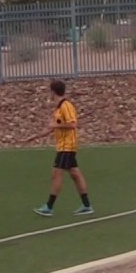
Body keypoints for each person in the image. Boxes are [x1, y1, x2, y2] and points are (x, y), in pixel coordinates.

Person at [31, 80, 93, 217]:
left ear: (53, 92)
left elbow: (72, 125)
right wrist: (35, 137)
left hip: (67, 146)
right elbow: (52, 127)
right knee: (75, 174)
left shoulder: (66, 105)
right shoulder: (58, 108)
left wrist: (56, 126)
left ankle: (49, 206)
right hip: (63, 146)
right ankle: (87, 205)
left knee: (56, 174)